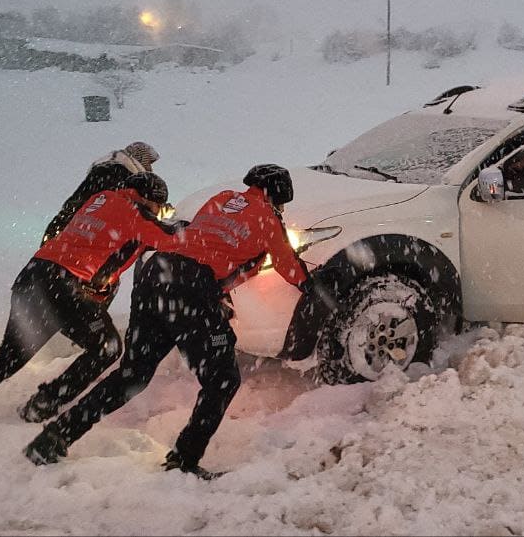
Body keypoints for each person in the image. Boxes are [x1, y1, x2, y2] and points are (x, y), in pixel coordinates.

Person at [23, 164, 312, 480]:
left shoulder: (222, 198)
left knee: (132, 375)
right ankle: (184, 461)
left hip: (156, 273)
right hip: (191, 287)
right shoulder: (268, 218)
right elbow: (288, 266)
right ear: (278, 197)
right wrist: (316, 288)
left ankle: (53, 438)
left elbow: (205, 241)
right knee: (222, 379)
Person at [0, 172, 180, 440]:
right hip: (64, 285)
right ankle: (45, 404)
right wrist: (192, 227)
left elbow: (111, 241)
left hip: (34, 277)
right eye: (160, 207)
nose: (160, 213)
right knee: (105, 347)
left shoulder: (102, 199)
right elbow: (173, 238)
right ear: (149, 200)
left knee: (9, 358)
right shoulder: (135, 213)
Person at [42, 141, 161, 244]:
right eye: (148, 163)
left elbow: (76, 203)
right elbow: (130, 212)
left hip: (70, 231)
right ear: (140, 159)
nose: (150, 168)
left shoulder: (105, 171)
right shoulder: (123, 175)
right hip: (90, 236)